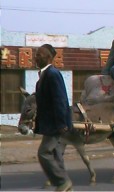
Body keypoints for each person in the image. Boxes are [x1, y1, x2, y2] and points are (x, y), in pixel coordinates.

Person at [34, 44, 73, 191]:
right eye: (36, 54)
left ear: (49, 58)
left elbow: (60, 100)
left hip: (55, 124)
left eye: (39, 54)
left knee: (44, 153)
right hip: (50, 124)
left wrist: (61, 123)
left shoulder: (52, 74)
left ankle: (62, 182)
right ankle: (66, 186)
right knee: (56, 155)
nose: (36, 57)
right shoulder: (44, 75)